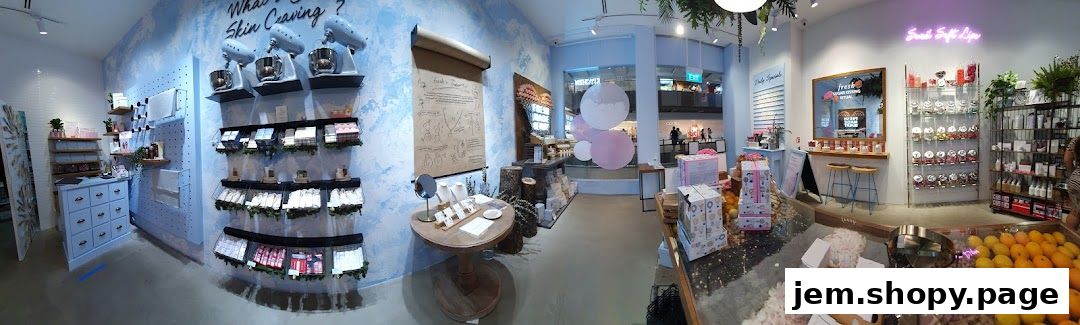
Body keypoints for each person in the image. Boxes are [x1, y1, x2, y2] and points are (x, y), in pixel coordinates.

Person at [1065, 137, 1080, 230]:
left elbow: (1067, 159)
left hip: (1075, 178)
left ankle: (1069, 236)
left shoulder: (1076, 139)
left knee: (1075, 212)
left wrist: (1073, 174)